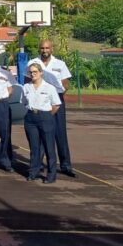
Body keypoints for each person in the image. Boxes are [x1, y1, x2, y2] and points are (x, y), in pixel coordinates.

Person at [28, 40, 75, 177]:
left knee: (60, 134)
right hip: (39, 101)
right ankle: (38, 166)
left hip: (56, 100)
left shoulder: (60, 64)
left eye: (47, 48)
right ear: (39, 49)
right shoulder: (32, 63)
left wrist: (56, 96)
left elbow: (66, 83)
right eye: (42, 48)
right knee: (40, 135)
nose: (45, 50)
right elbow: (27, 81)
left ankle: (66, 166)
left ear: (52, 49)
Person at [22, 63, 62, 184]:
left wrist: (47, 115)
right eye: (31, 72)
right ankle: (33, 172)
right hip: (30, 118)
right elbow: (24, 102)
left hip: (45, 117)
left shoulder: (49, 88)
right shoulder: (26, 87)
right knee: (34, 148)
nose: (32, 74)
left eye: (35, 72)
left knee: (49, 148)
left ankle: (51, 175)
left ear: (41, 73)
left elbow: (56, 105)